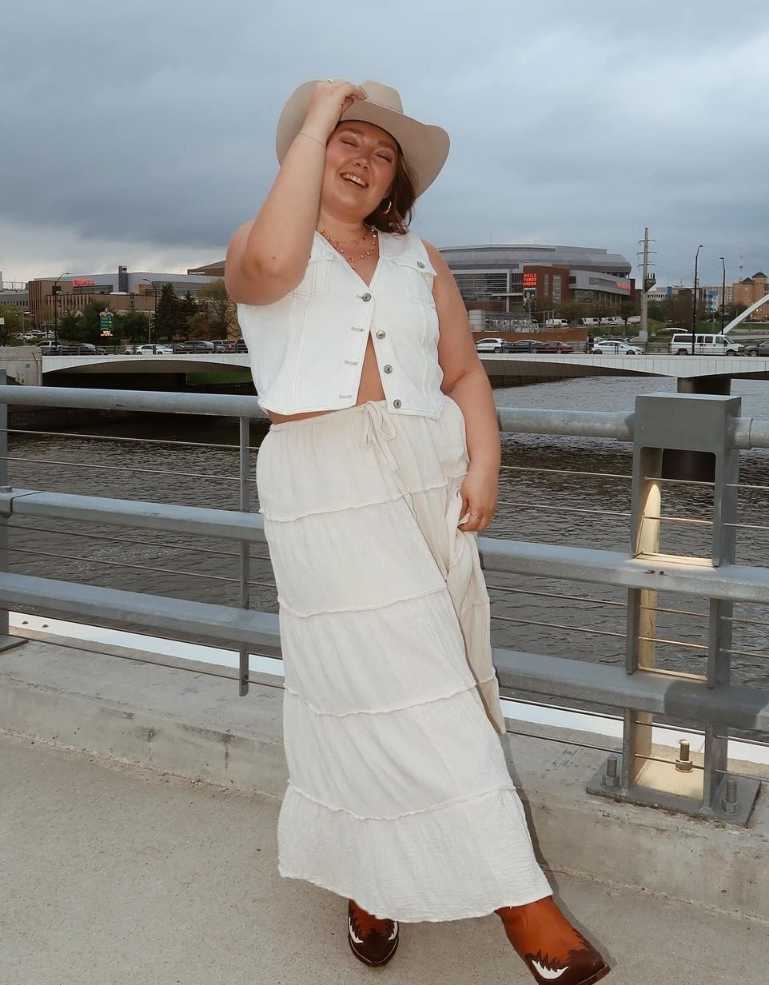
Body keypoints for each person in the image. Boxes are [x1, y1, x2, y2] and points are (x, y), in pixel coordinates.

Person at [225, 78, 610, 984]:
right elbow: (274, 270)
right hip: (322, 478)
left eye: (381, 150)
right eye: (343, 142)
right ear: (308, 152)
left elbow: (465, 370)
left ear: (399, 177)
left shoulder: (415, 255)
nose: (361, 160)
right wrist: (315, 115)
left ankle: (371, 882)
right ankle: (524, 902)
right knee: (408, 681)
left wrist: (485, 461)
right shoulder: (258, 242)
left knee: (406, 677)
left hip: (425, 470)